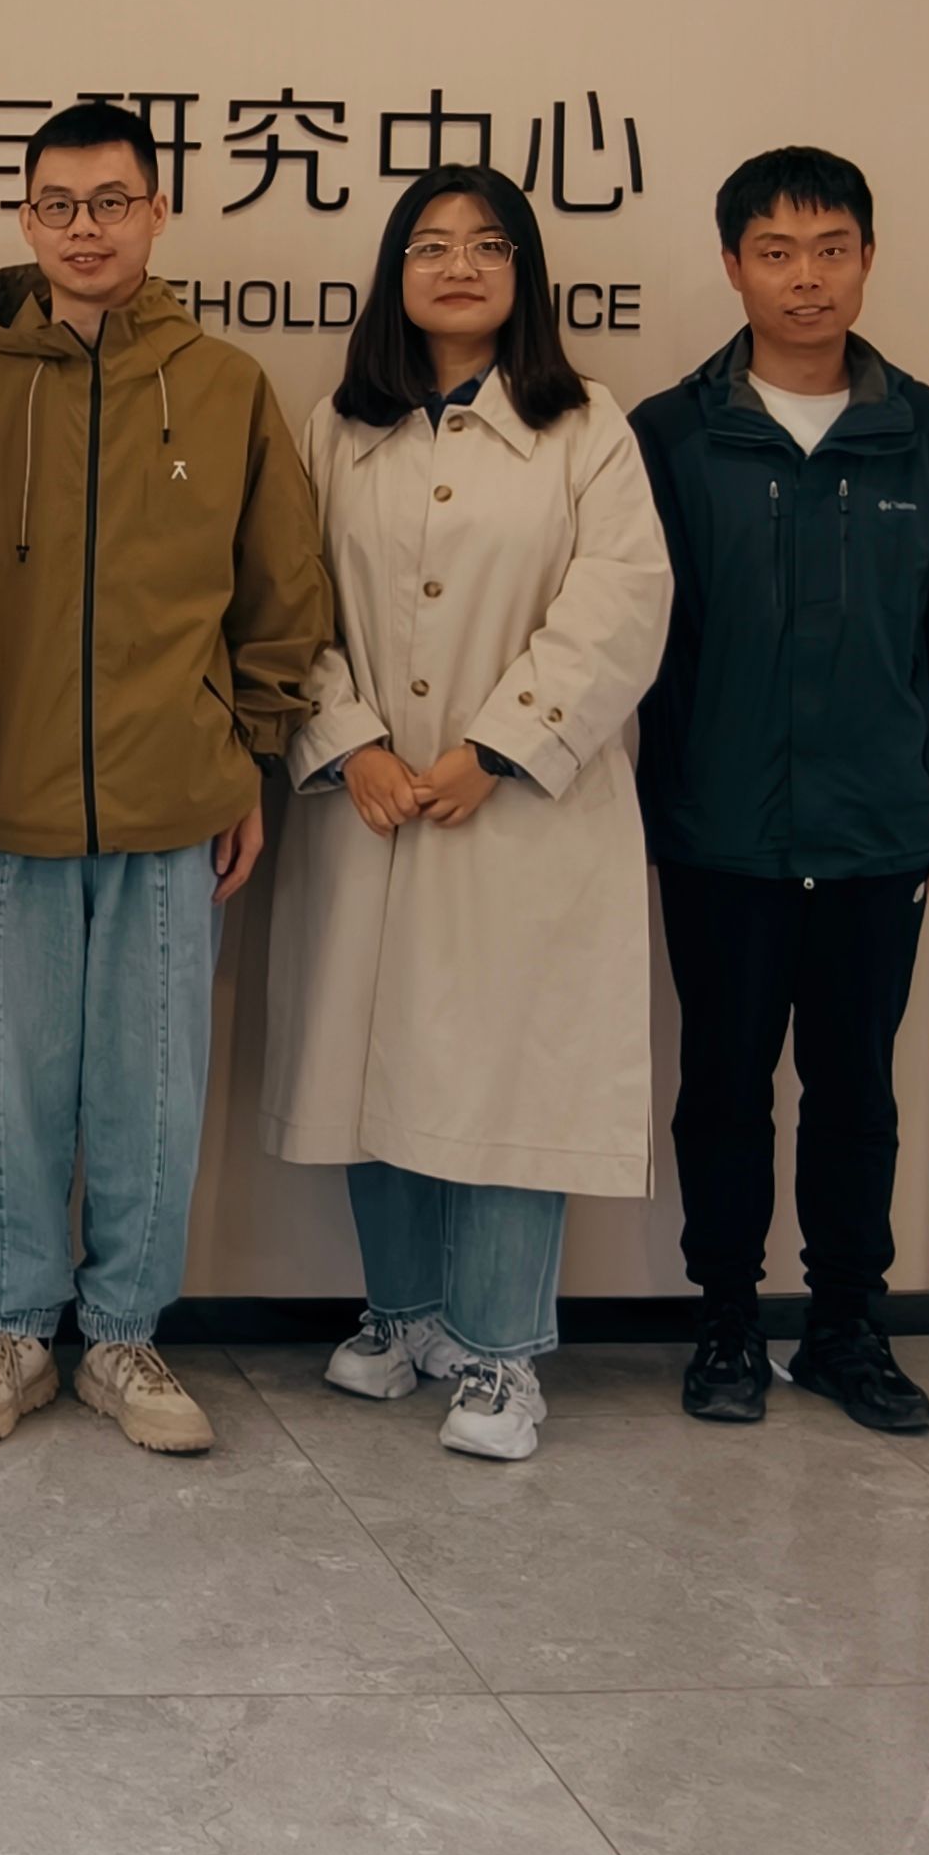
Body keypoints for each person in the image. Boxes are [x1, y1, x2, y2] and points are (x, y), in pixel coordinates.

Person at [0, 99, 332, 1455]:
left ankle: (126, 1337)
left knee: (152, 1085)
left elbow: (281, 593)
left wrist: (248, 761)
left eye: (110, 202)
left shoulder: (223, 385)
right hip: (0, 803)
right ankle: (14, 1330)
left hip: (173, 802)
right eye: (57, 204)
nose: (83, 228)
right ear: (25, 218)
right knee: (5, 1084)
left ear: (159, 212)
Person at [261, 166, 671, 1463]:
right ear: (394, 273)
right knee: (372, 1063)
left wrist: (500, 746)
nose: (458, 266)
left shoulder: (584, 425)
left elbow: (622, 602)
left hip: (523, 814)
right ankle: (404, 1317)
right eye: (430, 245)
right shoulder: (337, 427)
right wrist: (348, 742)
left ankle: (500, 1355)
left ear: (523, 274)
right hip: (372, 806)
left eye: (488, 246)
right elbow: (288, 597)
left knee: (507, 1079)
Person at [634, 145, 929, 1436]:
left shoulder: (927, 436)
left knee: (858, 1094)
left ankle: (847, 1325)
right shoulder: (671, 436)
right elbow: (635, 642)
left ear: (867, 259)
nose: (807, 278)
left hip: (876, 832)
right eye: (777, 253)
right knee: (724, 1088)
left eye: (831, 249)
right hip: (719, 830)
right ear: (732, 266)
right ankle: (727, 1321)